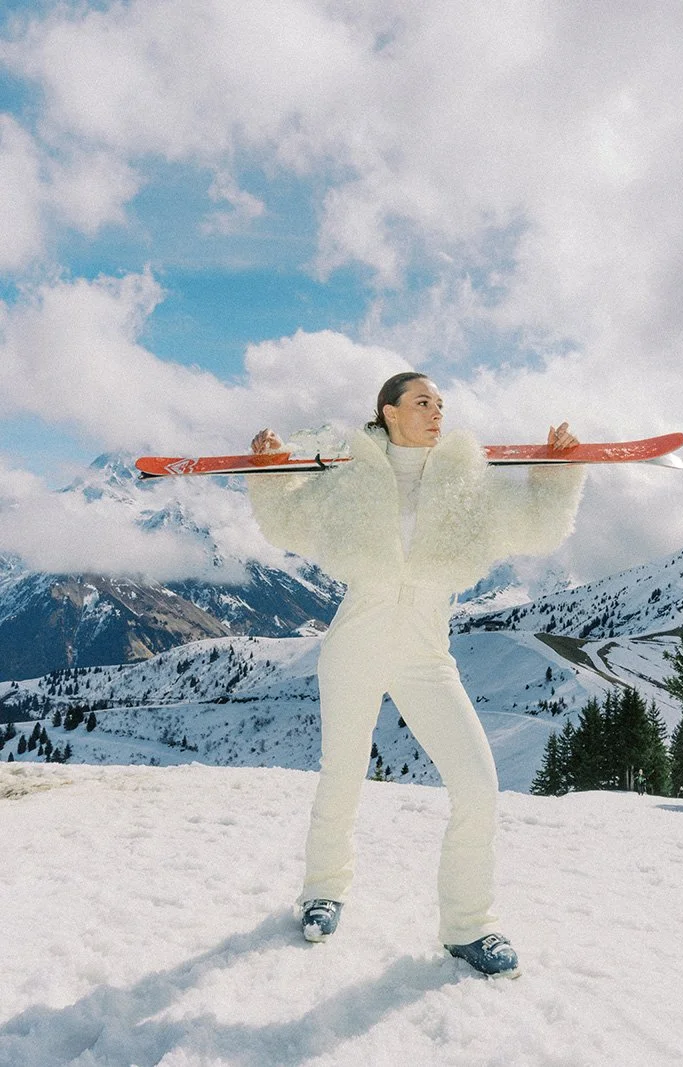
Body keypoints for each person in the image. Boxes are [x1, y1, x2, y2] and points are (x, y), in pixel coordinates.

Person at [248, 372, 584, 978]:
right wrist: (272, 470)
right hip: (355, 643)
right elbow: (287, 522)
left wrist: (557, 469)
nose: (436, 413)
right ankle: (323, 892)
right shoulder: (351, 478)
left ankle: (468, 926)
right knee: (342, 773)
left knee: (478, 786)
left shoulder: (465, 482)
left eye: (441, 405)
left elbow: (536, 525)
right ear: (389, 412)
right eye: (423, 402)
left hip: (427, 654)